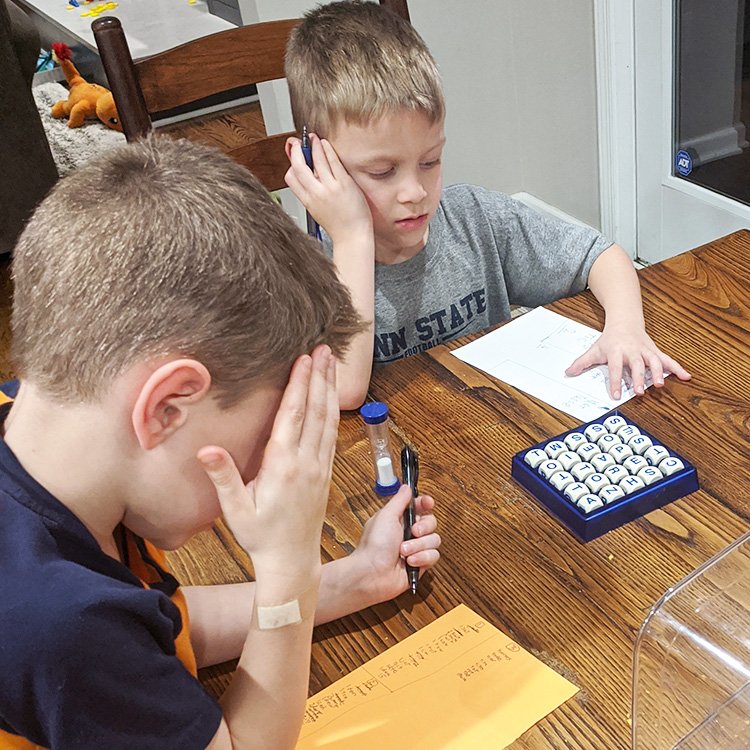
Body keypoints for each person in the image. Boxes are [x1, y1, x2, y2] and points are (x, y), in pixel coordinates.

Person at [0, 135, 441, 750]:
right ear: (168, 407)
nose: (268, 470)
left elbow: (156, 632)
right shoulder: (59, 624)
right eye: (265, 438)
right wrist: (286, 569)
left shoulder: (32, 428)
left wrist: (353, 578)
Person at [283, 0, 691, 410]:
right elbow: (344, 392)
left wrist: (625, 328)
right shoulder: (304, 272)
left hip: (493, 427)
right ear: (314, 164)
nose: (415, 191)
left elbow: (599, 255)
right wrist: (353, 238)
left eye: (430, 161)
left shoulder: (473, 218)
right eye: (383, 171)